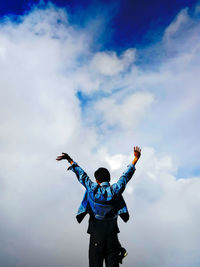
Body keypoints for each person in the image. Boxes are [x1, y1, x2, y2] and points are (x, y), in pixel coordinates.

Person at [56, 146, 141, 267]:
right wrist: (135, 159)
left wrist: (70, 160)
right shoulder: (116, 190)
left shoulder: (92, 190)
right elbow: (126, 177)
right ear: (109, 179)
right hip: (112, 237)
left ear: (96, 180)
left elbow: (82, 175)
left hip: (97, 236)